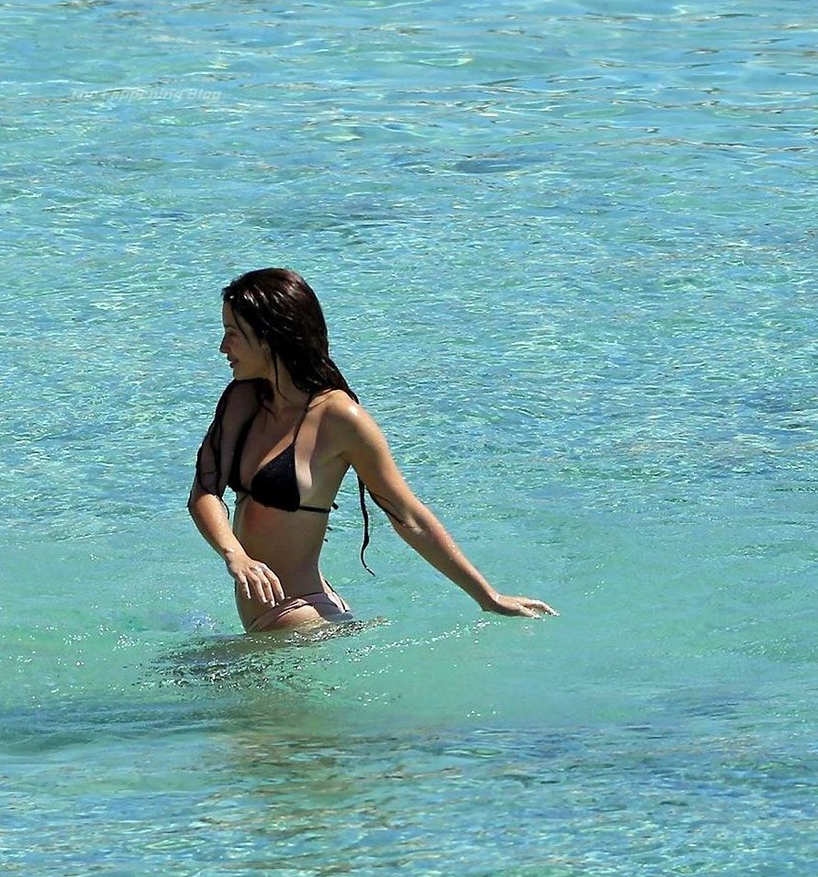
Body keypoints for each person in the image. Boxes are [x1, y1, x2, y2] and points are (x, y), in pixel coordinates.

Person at [187, 267, 554, 634]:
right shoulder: (243, 400)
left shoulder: (339, 418)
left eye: (232, 334)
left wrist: (488, 597)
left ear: (268, 336)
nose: (223, 347)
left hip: (302, 613)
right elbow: (204, 491)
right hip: (268, 620)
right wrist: (235, 555)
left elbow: (409, 517)